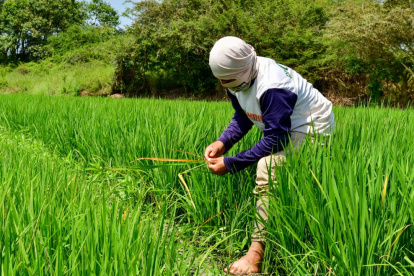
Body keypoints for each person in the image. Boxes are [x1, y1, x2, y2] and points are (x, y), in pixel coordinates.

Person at [204, 36, 334, 275]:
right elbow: (244, 116)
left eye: (228, 80)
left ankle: (256, 254)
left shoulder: (273, 87)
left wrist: (231, 163)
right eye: (221, 81)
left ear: (244, 71)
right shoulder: (236, 77)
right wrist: (223, 142)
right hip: (285, 126)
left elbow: (276, 139)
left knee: (269, 166)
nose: (225, 85)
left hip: (311, 126)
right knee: (271, 164)